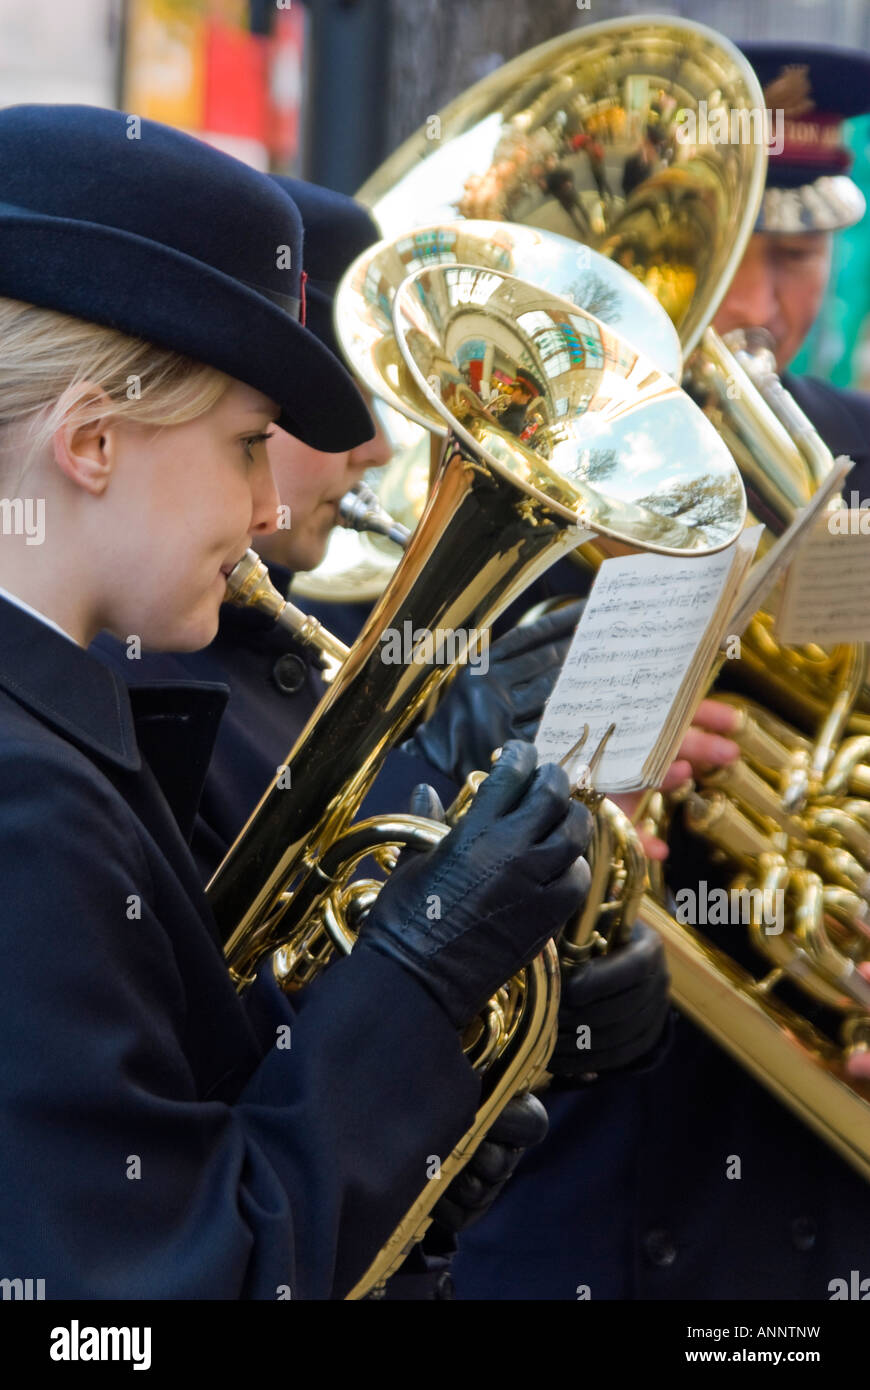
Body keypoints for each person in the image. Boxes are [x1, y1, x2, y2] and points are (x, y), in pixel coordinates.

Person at [0, 103, 594, 1301]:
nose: (272, 506)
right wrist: (418, 979)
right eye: (245, 443)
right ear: (96, 440)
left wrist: (401, 1167)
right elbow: (151, 1299)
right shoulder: (26, 801)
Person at [451, 41, 870, 1302]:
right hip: (552, 1205)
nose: (754, 308)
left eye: (793, 257)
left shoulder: (861, 464)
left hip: (804, 1208)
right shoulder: (475, 482)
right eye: (721, 253)